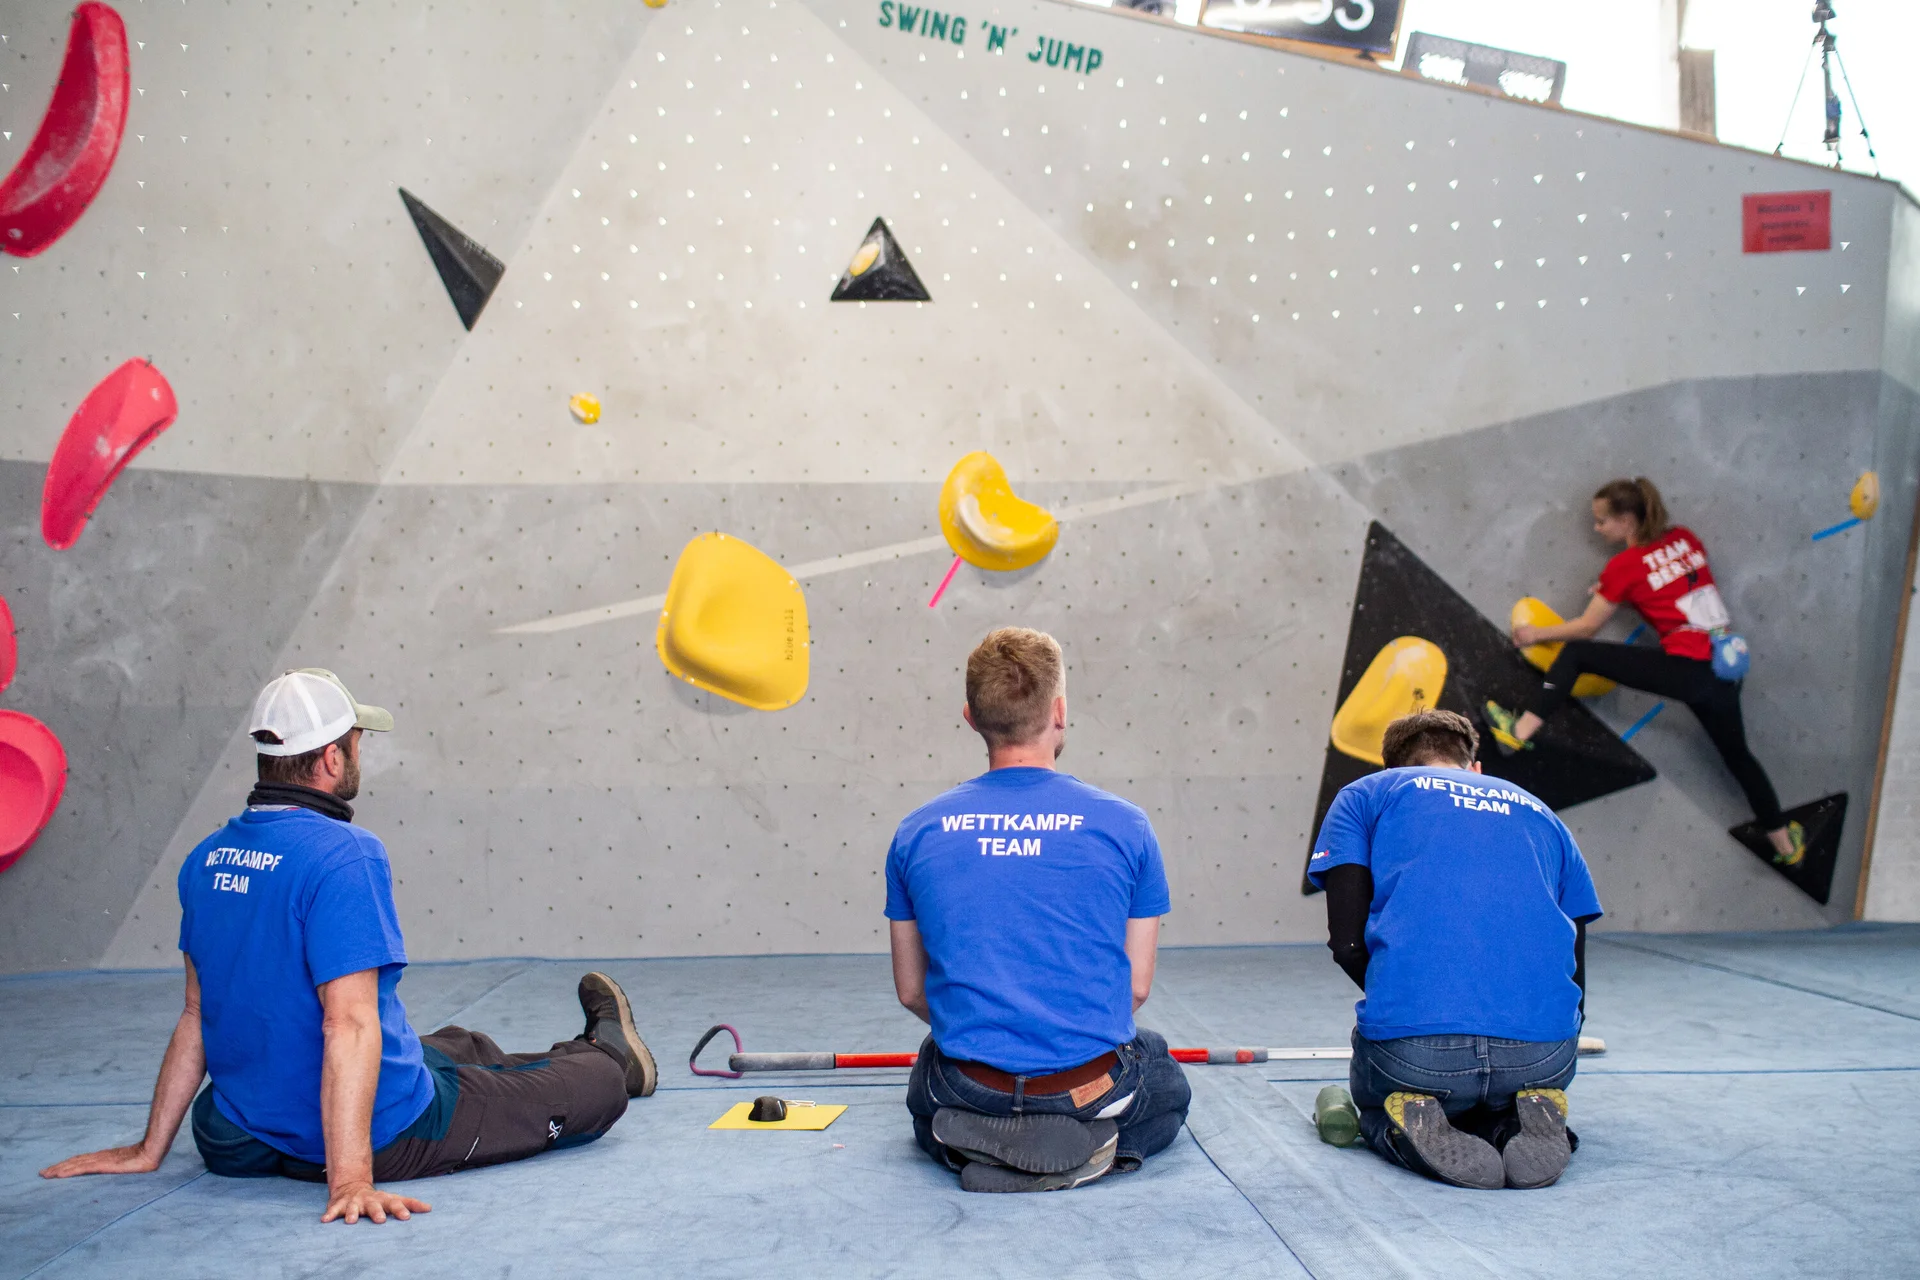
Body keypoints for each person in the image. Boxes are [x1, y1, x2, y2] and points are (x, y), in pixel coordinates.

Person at [40, 668, 658, 1223]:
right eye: (358, 741)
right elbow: (349, 1024)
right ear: (332, 758)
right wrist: (352, 1180)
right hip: (385, 1134)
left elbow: (196, 1013)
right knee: (594, 1088)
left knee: (459, 1044)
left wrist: (150, 1148)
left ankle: (478, 1062)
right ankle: (610, 1054)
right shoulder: (344, 856)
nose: (359, 752)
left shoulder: (207, 857)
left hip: (245, 1134)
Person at [887, 628, 1191, 1192]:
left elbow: (910, 992)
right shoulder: (1127, 826)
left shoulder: (916, 831)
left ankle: (971, 1150)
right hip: (1085, 1086)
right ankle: (1089, 1148)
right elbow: (1135, 989)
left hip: (971, 1086)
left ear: (971, 717)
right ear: (1059, 711)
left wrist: (990, 1036)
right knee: (1165, 1083)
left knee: (929, 1083)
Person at [1308, 710, 1600, 1190]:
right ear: (1476, 768)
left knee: (1376, 1101)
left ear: (1393, 766)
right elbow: (1577, 950)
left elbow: (1348, 944)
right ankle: (1513, 1121)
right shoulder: (1541, 812)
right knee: (1501, 1089)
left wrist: (1409, 999)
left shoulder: (1367, 794)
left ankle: (1399, 1129)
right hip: (1544, 1054)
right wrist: (1560, 1035)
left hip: (1418, 1056)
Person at [1482, 477, 1805, 866]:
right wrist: (1622, 593)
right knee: (1740, 757)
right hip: (1725, 669)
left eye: (1602, 521)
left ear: (1626, 520)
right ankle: (1786, 846)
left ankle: (1518, 732)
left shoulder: (1624, 567)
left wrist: (1535, 635)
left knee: (1577, 653)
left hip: (1688, 669)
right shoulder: (1684, 539)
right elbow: (1676, 591)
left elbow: (1587, 627)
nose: (1597, 529)